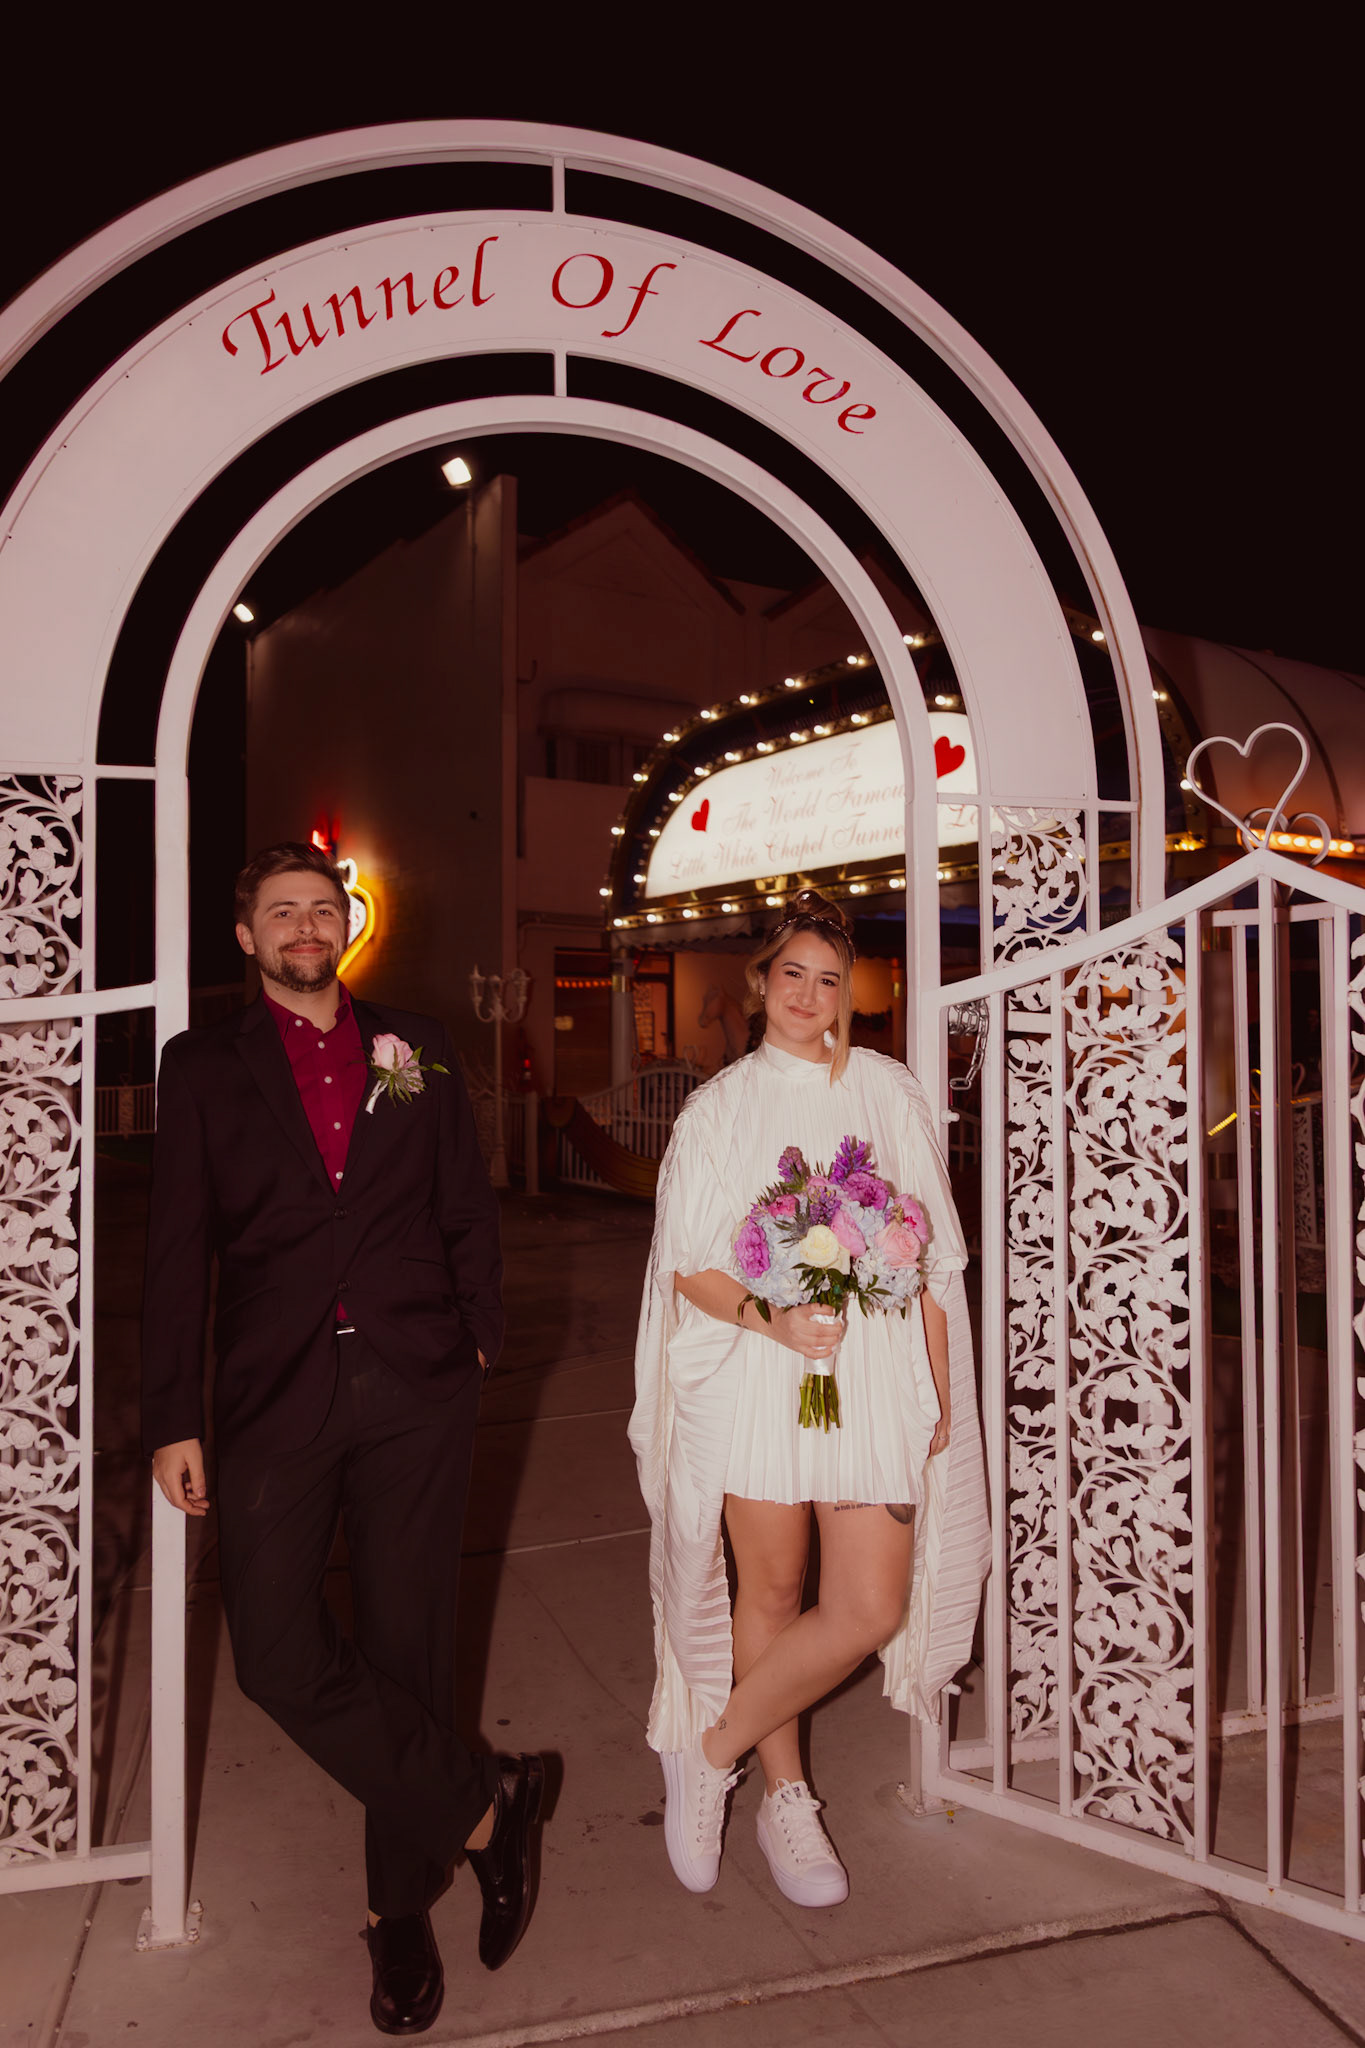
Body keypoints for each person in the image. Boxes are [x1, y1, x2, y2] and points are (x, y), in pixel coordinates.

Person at [142, 842, 545, 2038]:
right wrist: (173, 1415)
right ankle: (485, 1804)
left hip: (419, 1380)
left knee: (409, 1644)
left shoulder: (416, 1043)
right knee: (273, 1649)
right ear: (246, 935)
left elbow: (464, 1199)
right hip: (275, 1392)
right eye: (282, 911)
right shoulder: (201, 1064)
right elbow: (177, 1250)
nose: (305, 926)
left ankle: (395, 1910)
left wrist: (479, 1335)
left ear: (346, 924)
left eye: (322, 908)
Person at [629, 890, 988, 1905]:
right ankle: (786, 1796)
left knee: (867, 1604)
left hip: (871, 1378)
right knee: (774, 1592)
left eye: (829, 980)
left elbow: (932, 1257)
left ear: (847, 995)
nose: (809, 993)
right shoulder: (718, 1108)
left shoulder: (885, 1090)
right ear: (760, 981)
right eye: (792, 972)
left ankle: (713, 1747)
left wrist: (937, 1393)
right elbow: (688, 1268)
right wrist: (772, 1318)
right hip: (759, 1373)